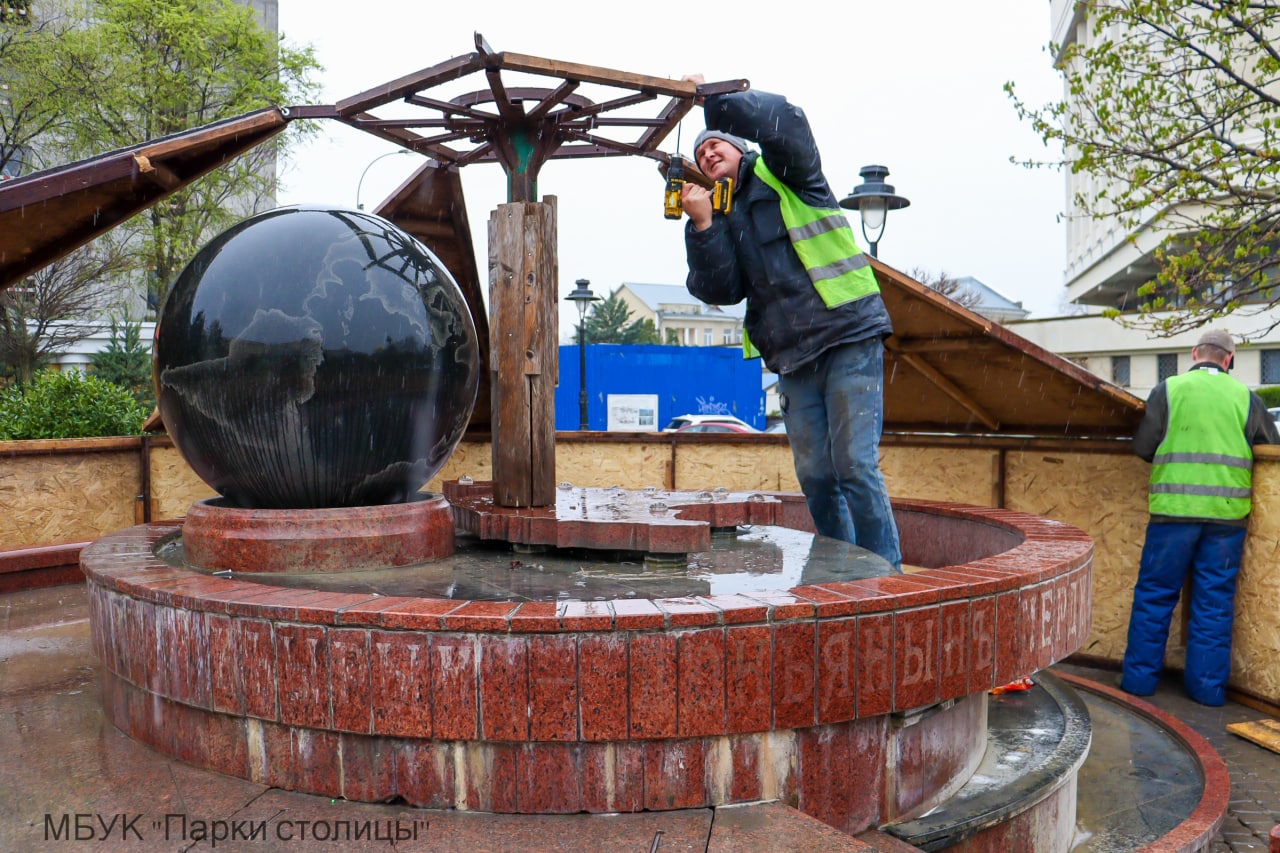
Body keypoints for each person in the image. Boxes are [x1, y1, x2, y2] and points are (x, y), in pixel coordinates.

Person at [679, 77, 900, 568]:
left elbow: (788, 124)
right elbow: (720, 289)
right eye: (702, 152)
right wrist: (702, 225)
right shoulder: (721, 212)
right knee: (818, 476)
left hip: (846, 336)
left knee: (854, 467)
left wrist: (717, 106)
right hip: (793, 357)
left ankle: (885, 578)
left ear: (740, 146)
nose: (709, 152)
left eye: (717, 143)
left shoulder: (789, 174)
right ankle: (841, 572)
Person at [1120, 329, 1278, 706]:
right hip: (1227, 520)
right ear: (1229, 361)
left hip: (1173, 515)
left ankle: (1139, 683)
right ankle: (1207, 692)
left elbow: (1143, 447)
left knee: (1155, 596)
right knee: (1214, 603)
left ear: (1194, 354)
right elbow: (1270, 448)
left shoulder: (1168, 390)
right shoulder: (1247, 398)